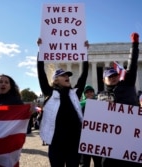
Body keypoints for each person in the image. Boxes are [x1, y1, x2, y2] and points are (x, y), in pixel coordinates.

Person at [37, 39, 89, 167]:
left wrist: (85, 53)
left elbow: (83, 76)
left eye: (68, 75)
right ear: (55, 80)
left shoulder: (75, 93)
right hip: (56, 142)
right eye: (63, 75)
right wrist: (40, 50)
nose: (67, 77)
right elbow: (41, 74)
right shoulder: (49, 92)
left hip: (74, 141)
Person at [97, 32, 142, 167]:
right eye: (110, 76)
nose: (113, 78)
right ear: (104, 80)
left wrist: (134, 45)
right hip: (111, 137)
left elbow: (133, 64)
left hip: (132, 131)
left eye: (115, 75)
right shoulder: (100, 96)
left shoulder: (128, 84)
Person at [79, 85, 101, 167]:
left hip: (97, 139)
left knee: (98, 162)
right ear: (84, 94)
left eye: (91, 91)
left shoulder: (100, 104)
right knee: (85, 163)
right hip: (85, 139)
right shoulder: (80, 105)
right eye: (87, 92)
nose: (89, 93)